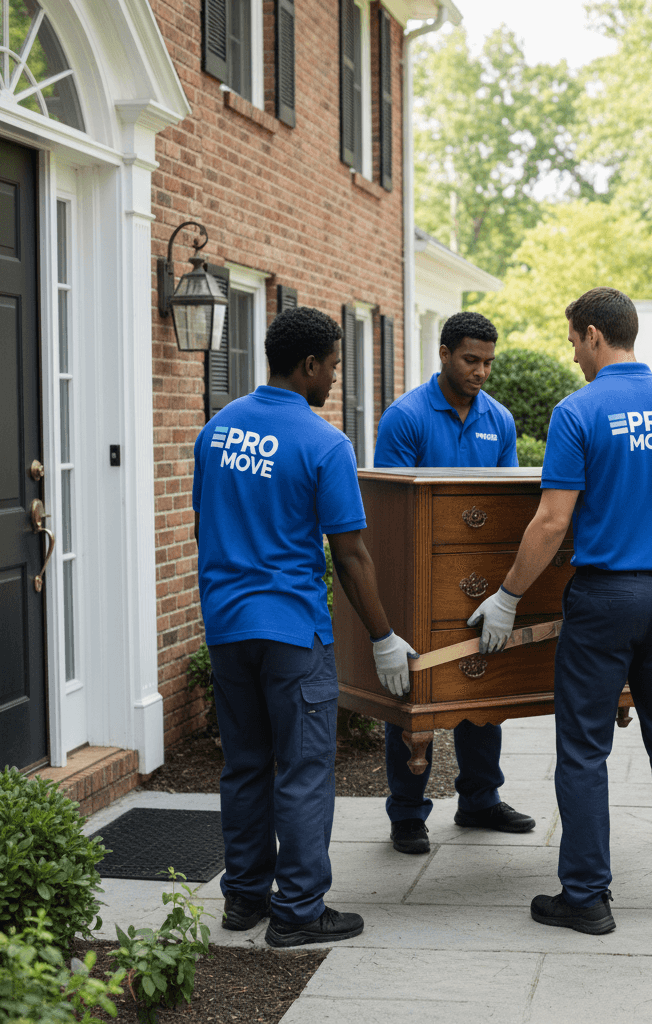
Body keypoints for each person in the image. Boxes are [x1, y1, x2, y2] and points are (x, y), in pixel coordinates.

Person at [467, 288, 652, 934]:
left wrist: (508, 596)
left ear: (594, 336)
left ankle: (585, 896)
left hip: (606, 595)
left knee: (583, 749)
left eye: (573, 340)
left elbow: (552, 522)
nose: (572, 353)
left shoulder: (578, 412)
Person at [192, 306, 415, 947]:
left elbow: (204, 528)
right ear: (310, 364)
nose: (334, 380)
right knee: (304, 770)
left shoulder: (218, 429)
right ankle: (298, 911)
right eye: (334, 367)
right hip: (292, 631)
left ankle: (243, 898)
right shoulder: (324, 443)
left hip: (228, 627)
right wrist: (383, 637)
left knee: (245, 765)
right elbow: (350, 553)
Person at [373, 310, 536, 854]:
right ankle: (407, 814)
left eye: (489, 361)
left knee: (481, 685)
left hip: (481, 580)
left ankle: (480, 800)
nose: (481, 372)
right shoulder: (406, 418)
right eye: (471, 360)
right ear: (443, 354)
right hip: (421, 581)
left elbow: (508, 502)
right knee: (416, 693)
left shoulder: (500, 420)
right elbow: (392, 513)